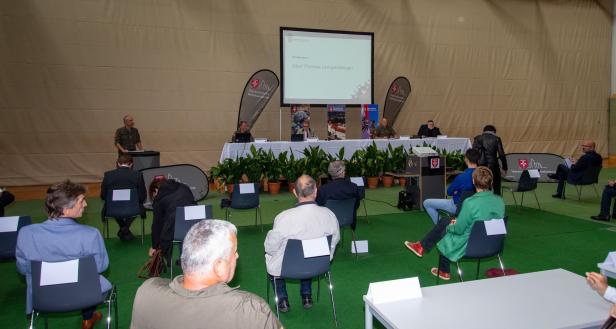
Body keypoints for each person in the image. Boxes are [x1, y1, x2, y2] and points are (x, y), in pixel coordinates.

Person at [131, 220, 282, 329]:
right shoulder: (252, 309)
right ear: (218, 267)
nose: (236, 256)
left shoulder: (146, 292)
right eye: (234, 252)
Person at [15, 180, 111, 329]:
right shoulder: (90, 234)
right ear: (65, 209)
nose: (85, 204)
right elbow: (100, 267)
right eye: (81, 201)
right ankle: (88, 317)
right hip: (85, 296)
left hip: (43, 297)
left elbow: (23, 269)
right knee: (91, 279)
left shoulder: (26, 233)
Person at [403, 167, 505, 280]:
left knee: (445, 230)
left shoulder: (470, 203)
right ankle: (421, 246)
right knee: (445, 221)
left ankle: (443, 270)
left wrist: (452, 226)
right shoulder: (499, 200)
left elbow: (459, 230)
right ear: (491, 182)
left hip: (471, 245)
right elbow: (487, 220)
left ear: (473, 181)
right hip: (493, 243)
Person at [265, 175, 340, 313]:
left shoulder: (283, 217)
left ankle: (282, 299)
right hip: (319, 264)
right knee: (309, 251)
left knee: (271, 256)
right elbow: (335, 241)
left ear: (294, 192)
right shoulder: (329, 215)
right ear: (316, 191)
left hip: (288, 266)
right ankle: (306, 296)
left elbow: (270, 248)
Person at [422, 149, 480, 224]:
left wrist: (456, 192)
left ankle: (441, 225)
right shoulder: (484, 175)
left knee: (426, 203)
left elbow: (449, 192)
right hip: (477, 207)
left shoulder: (461, 177)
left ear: (466, 159)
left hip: (458, 206)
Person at [149, 177, 195, 264]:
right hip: (197, 224)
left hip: (178, 228)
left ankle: (185, 261)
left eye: (153, 194)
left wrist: (154, 246)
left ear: (155, 190)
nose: (154, 196)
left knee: (175, 227)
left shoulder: (158, 200)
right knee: (183, 224)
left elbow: (157, 225)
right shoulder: (184, 187)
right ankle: (185, 259)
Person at [100, 154, 147, 240]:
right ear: (131, 164)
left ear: (118, 163)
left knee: (115, 206)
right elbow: (142, 196)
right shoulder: (138, 175)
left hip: (112, 208)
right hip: (133, 208)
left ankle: (123, 228)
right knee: (137, 206)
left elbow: (103, 196)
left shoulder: (108, 175)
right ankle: (125, 229)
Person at [316, 161, 364, 230]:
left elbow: (318, 207)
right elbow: (356, 205)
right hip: (347, 219)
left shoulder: (323, 189)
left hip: (328, 221)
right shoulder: (354, 187)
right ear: (342, 173)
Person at [473, 125, 507, 195]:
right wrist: (505, 168)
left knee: (481, 186)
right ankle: (497, 204)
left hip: (481, 167)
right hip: (494, 166)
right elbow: (501, 154)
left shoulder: (477, 139)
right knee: (497, 187)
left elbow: (474, 154)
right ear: (493, 132)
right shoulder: (496, 139)